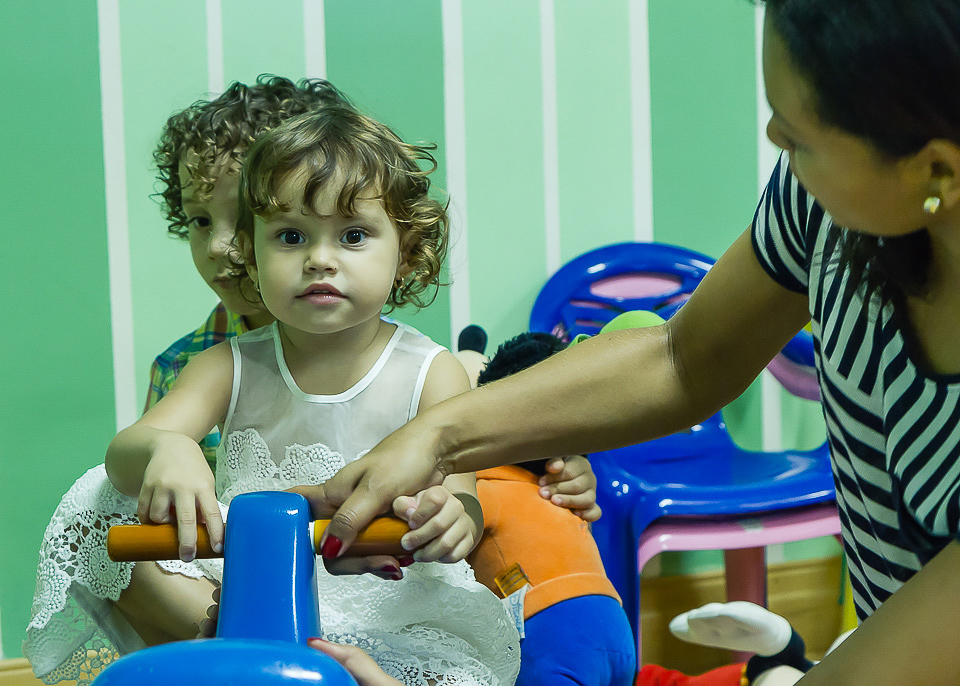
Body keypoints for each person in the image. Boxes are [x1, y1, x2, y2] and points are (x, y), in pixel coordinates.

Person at [297, 1, 960, 683]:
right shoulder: (823, 208)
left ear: (936, 172)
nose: (773, 137)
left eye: (798, 136)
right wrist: (436, 436)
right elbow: (681, 358)